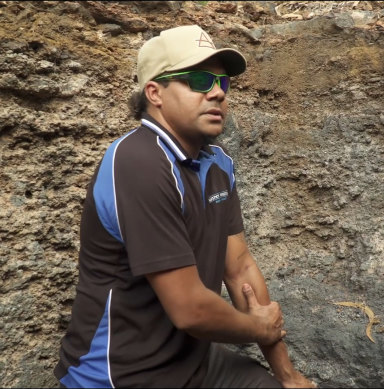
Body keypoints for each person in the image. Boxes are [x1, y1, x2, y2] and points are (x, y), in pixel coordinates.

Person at [54, 25, 315, 388]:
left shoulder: (217, 163)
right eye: (198, 80)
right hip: (121, 375)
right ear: (155, 92)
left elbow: (239, 271)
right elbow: (191, 311)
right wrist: (259, 328)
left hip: (194, 365)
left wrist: (288, 376)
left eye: (222, 84)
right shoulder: (138, 162)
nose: (217, 94)